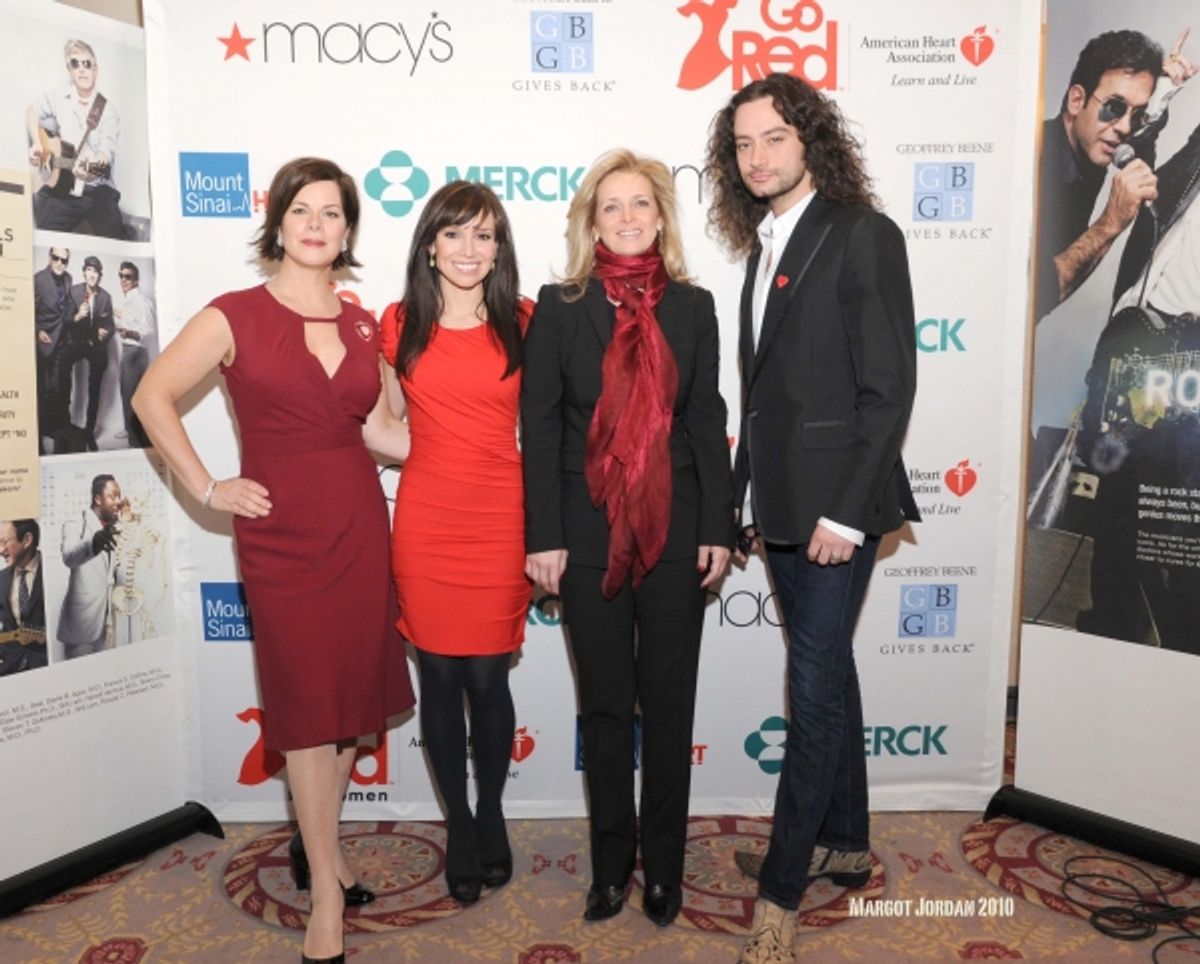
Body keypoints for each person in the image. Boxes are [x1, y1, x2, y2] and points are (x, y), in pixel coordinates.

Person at [132, 157, 415, 964]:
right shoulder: (235, 315)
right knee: (306, 710)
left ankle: (321, 846)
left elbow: (387, 435)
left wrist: (484, 454)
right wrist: (208, 484)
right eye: (303, 210)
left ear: (348, 231)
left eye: (333, 212)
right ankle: (326, 887)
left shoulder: (365, 326)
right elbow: (152, 394)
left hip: (360, 524)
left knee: (354, 702)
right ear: (279, 222)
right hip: (281, 531)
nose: (318, 224)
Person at [705, 73, 919, 963]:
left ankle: (783, 892)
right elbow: (763, 399)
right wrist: (750, 497)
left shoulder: (861, 233)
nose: (758, 157)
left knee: (814, 691)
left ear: (811, 142)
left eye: (774, 139)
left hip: (839, 509)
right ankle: (845, 840)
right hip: (784, 506)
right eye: (744, 144)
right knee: (827, 675)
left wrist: (843, 511)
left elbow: (889, 389)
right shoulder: (764, 247)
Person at [522, 149, 733, 928]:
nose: (627, 216)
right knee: (606, 709)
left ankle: (665, 872)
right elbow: (540, 429)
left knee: (669, 709)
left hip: (678, 533)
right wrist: (544, 534)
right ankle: (612, 868)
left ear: (661, 215)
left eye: (640, 202)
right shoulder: (559, 304)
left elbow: (707, 420)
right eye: (611, 206)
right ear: (591, 221)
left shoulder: (694, 306)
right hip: (585, 537)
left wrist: (719, 526)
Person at [378, 181, 531, 907]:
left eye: (486, 235)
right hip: (427, 519)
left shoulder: (525, 321)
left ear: (499, 248)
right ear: (430, 244)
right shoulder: (399, 323)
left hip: (502, 518)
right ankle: (460, 824)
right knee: (437, 678)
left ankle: (492, 808)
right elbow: (380, 425)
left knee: (488, 680)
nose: (470, 250)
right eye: (455, 234)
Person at [1034, 29, 1196, 320]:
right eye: (1114, 108)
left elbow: (1139, 140)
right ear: (1076, 100)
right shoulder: (1032, 169)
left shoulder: (1093, 142)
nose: (1124, 127)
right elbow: (1031, 298)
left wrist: (1161, 94)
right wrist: (1111, 222)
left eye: (1136, 114)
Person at [26, 38, 124, 239]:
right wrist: (37, 143)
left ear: (95, 70)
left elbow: (103, 157)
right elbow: (31, 111)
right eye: (75, 64)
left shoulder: (108, 112)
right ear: (69, 70)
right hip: (64, 187)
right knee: (40, 228)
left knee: (115, 238)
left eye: (87, 64)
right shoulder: (58, 97)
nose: (81, 69)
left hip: (98, 191)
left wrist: (89, 171)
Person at [58, 474, 122, 660]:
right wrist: (93, 543)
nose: (118, 501)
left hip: (108, 623)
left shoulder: (116, 527)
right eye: (112, 496)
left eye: (119, 496)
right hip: (81, 623)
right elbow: (69, 557)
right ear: (97, 499)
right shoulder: (76, 521)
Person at [60, 254, 114, 452]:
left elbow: (110, 325)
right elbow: (65, 320)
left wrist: (105, 333)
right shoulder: (74, 292)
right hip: (78, 341)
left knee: (95, 386)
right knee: (63, 362)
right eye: (89, 270)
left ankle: (89, 431)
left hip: (95, 345)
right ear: (84, 272)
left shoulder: (106, 297)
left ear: (100, 276)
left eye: (96, 272)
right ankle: (64, 426)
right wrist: (77, 316)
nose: (92, 275)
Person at [33, 247, 72, 453]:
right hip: (42, 343)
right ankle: (38, 437)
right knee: (41, 391)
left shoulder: (68, 279)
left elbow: (66, 311)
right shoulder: (38, 279)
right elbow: (27, 310)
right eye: (56, 258)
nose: (59, 263)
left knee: (58, 390)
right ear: (49, 258)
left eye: (64, 260)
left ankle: (54, 433)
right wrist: (37, 331)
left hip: (62, 343)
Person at [0, 520, 48, 675]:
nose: (1, 550)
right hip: (10, 670)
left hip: (47, 671)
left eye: (5, 542)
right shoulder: (1, 579)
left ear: (27, 540)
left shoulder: (52, 573)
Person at [114, 261, 153, 446]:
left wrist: (127, 332)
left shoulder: (139, 300)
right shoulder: (131, 299)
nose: (123, 280)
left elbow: (148, 331)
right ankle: (132, 434)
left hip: (135, 352)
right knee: (128, 394)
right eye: (121, 275)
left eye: (128, 277)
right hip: (131, 352)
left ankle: (135, 443)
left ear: (136, 280)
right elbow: (133, 318)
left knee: (130, 397)